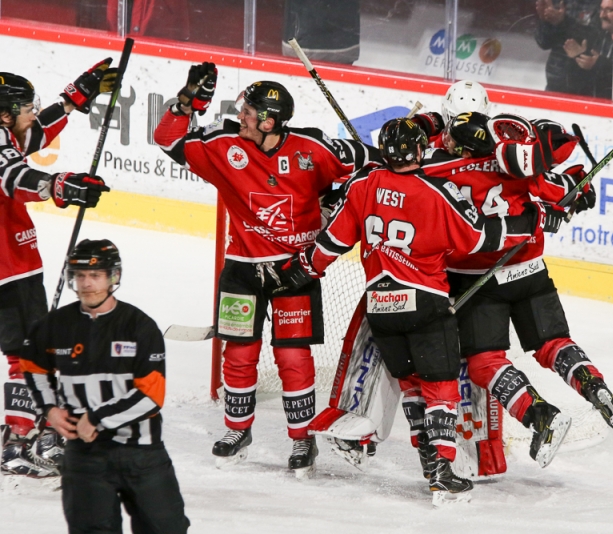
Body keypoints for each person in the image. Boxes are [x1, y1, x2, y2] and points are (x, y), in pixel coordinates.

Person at [280, 118, 548, 504]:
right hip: (424, 303)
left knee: (410, 386)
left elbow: (329, 244)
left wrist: (296, 271)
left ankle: (428, 459)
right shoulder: (436, 192)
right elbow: (478, 239)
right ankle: (441, 471)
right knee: (440, 387)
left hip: (380, 307)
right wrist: (531, 222)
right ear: (420, 150)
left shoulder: (362, 186)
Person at [154, 63, 381, 475]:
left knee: (293, 356)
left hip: (296, 270)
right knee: (239, 353)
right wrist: (188, 99)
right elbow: (167, 139)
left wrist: (335, 202)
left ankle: (301, 439)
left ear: (270, 121)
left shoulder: (314, 149)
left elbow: (371, 169)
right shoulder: (225, 146)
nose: (241, 116)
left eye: (249, 112)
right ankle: (237, 429)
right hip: (242, 267)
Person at [434, 113, 613, 449]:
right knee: (552, 343)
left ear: (466, 148)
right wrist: (579, 186)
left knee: (485, 362)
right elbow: (564, 189)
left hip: (479, 281)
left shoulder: (441, 172)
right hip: (530, 272)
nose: (446, 144)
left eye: (453, 140)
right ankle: (593, 384)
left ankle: (540, 415)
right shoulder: (516, 168)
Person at [21, 239, 190, 533]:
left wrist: (96, 418)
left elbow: (151, 395)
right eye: (80, 276)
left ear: (114, 277)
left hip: (143, 455)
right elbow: (33, 366)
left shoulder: (139, 326)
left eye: (96, 275)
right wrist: (50, 409)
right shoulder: (55, 325)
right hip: (85, 458)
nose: (87, 284)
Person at [0, 64, 114, 476]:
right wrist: (60, 186)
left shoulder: (6, 132)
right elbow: (13, 174)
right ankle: (19, 440)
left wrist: (75, 97)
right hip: (7, 269)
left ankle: (33, 429)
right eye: (26, 106)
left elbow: (31, 137)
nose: (33, 111)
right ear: (4, 114)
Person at [533, 0, 603, 95]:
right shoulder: (558, 2)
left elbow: (597, 39)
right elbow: (543, 43)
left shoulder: (602, 4)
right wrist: (546, 21)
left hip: (587, 86)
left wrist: (563, 22)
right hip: (555, 83)